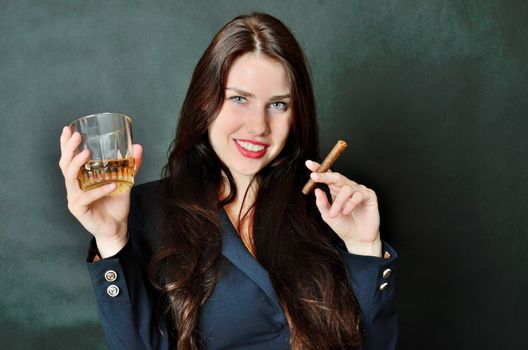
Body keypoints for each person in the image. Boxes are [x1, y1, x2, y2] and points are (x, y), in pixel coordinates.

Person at [59, 13, 397, 350]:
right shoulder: (145, 211)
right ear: (205, 100)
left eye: (277, 104)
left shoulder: (330, 211)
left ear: (297, 114)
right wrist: (111, 238)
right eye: (239, 98)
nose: (258, 126)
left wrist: (364, 248)